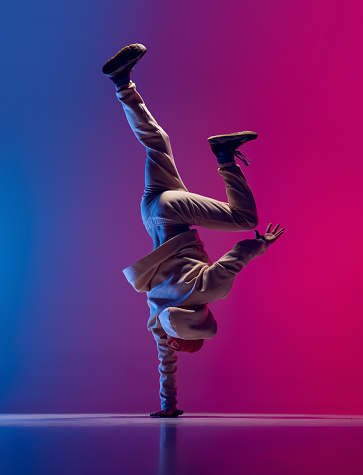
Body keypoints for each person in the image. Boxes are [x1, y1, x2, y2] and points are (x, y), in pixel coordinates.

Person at [102, 44, 285, 418]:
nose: (170, 342)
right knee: (158, 144)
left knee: (245, 219)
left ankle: (222, 154)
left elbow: (236, 257)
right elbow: (165, 367)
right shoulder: (159, 315)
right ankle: (122, 82)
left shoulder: (207, 291)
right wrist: (169, 407)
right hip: (152, 212)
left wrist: (260, 245)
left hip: (174, 213)